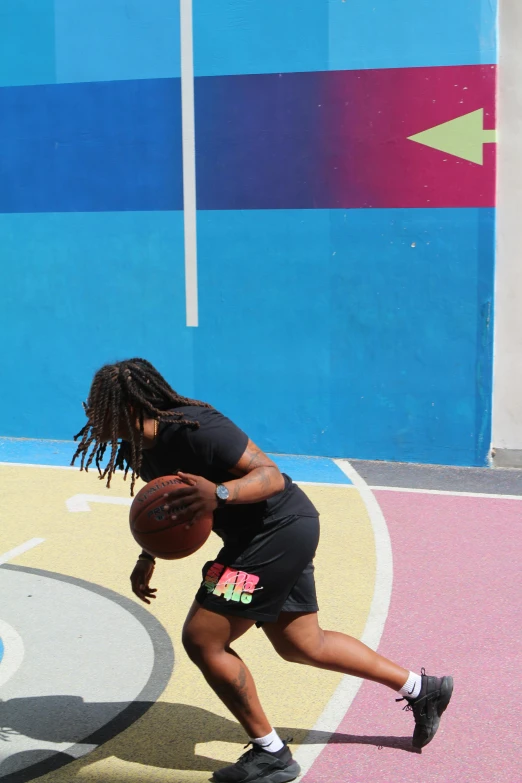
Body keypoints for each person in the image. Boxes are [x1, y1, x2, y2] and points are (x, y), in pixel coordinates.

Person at [72, 358, 453, 783]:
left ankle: (270, 752)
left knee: (203, 639)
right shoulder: (138, 450)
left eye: (101, 409)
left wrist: (219, 492)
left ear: (128, 407)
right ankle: (423, 690)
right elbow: (168, 508)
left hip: (278, 529)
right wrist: (148, 554)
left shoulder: (198, 428)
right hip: (254, 538)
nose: (93, 417)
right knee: (302, 643)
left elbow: (269, 475)